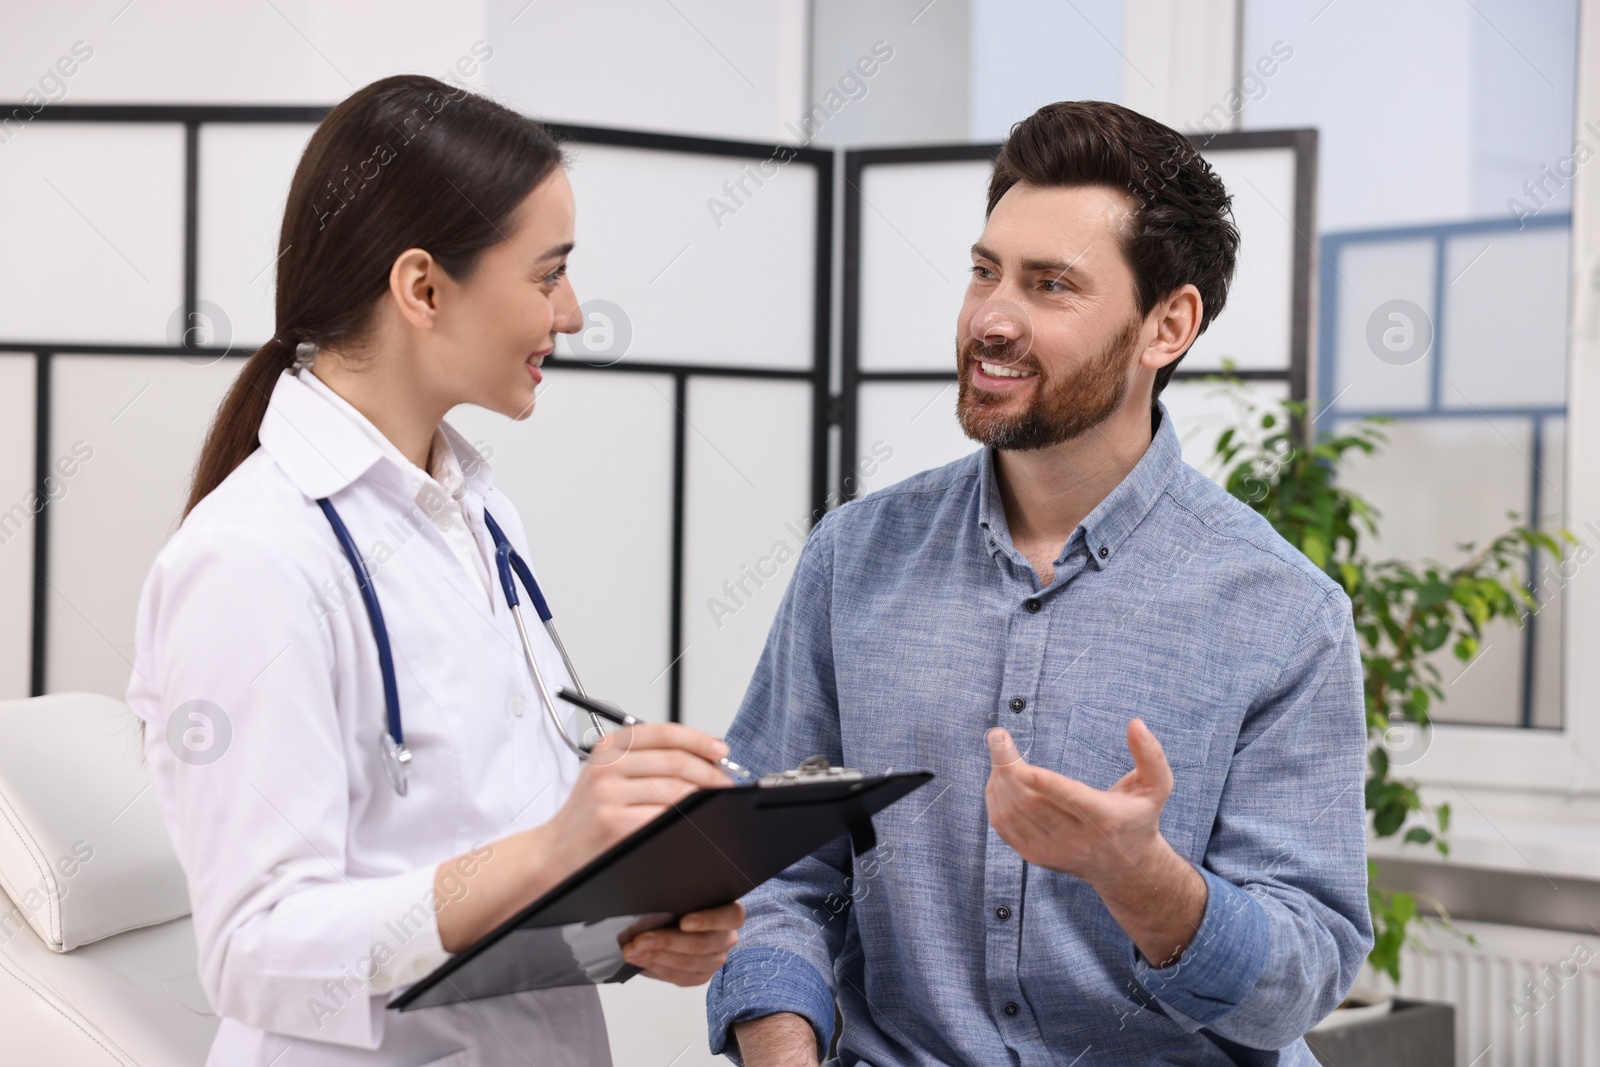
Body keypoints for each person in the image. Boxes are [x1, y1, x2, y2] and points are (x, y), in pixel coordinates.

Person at [706, 100, 1373, 1066]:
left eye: (1051, 285)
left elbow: (1303, 974)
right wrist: (781, 1050)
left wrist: (1142, 878)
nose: (992, 318)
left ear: (1167, 325)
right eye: (986, 271)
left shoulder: (1283, 612)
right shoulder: (853, 557)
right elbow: (771, 869)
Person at [126, 74, 743, 1067]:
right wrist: (550, 853)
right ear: (421, 288)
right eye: (548, 274)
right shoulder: (249, 557)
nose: (575, 312)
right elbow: (253, 949)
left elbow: (485, 850)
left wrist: (627, 908)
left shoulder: (476, 506)